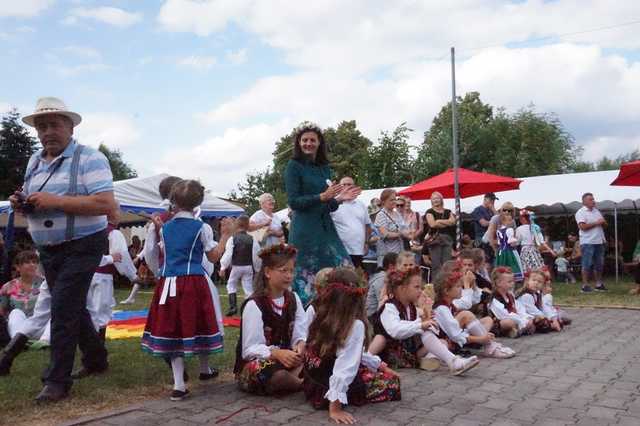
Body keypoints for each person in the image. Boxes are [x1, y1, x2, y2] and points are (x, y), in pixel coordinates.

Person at [9, 97, 115, 402]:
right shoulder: (34, 162)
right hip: (49, 248)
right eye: (41, 126)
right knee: (71, 307)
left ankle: (57, 380)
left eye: (54, 124)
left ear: (70, 126)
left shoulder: (91, 158)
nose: (47, 131)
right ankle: (96, 360)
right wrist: (22, 200)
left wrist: (54, 201)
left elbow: (106, 205)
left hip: (83, 244)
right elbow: (34, 196)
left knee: (63, 308)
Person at [141, 180, 232, 401]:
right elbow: (213, 257)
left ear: (173, 201)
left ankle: (179, 384)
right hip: (192, 282)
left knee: (173, 328)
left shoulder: (165, 228)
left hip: (168, 282)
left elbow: (160, 253)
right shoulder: (202, 227)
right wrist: (227, 236)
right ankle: (204, 368)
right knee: (198, 322)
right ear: (198, 202)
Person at [303, 269, 401, 423]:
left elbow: (354, 353)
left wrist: (379, 365)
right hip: (327, 392)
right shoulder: (355, 325)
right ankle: (337, 399)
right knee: (392, 384)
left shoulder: (318, 310)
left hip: (312, 383)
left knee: (362, 366)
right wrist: (335, 408)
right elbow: (345, 366)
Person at [284, 122, 359, 305]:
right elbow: (294, 202)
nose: (308, 143)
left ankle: (337, 313)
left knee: (345, 270)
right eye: (304, 140)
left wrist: (339, 199)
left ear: (319, 143)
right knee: (306, 280)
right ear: (299, 143)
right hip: (305, 231)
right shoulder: (293, 166)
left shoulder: (324, 168)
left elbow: (328, 205)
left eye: (312, 140)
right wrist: (322, 196)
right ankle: (303, 319)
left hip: (326, 229)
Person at [369, 267, 479, 375]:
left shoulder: (411, 307)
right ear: (402, 288)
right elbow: (395, 330)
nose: (420, 291)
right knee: (380, 338)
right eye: (417, 287)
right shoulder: (389, 307)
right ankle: (366, 362)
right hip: (390, 356)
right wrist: (420, 325)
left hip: (408, 354)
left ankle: (453, 362)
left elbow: (426, 330)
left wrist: (427, 319)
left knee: (439, 340)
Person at [234, 244, 307, 395]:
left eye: (291, 271)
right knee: (273, 374)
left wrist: (300, 345)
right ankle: (301, 383)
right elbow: (249, 350)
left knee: (317, 358)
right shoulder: (255, 304)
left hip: (287, 361)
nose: (289, 276)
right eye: (283, 270)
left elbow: (300, 332)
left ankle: (295, 379)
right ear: (267, 272)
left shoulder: (294, 299)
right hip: (262, 362)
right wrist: (276, 353)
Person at [120, 175, 183, 305]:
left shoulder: (158, 216)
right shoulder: (193, 216)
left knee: (168, 303)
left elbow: (150, 249)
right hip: (185, 270)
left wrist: (155, 267)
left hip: (165, 265)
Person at [432, 261, 515, 358]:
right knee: (466, 315)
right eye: (458, 286)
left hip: (457, 334)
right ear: (446, 291)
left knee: (487, 320)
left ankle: (484, 341)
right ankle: (488, 345)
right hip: (448, 341)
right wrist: (480, 339)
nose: (460, 288)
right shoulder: (442, 307)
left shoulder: (449, 302)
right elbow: (466, 305)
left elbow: (476, 299)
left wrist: (473, 285)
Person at [85, 207, 137, 346]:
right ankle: (97, 351)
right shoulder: (114, 233)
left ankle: (92, 349)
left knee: (90, 310)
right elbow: (121, 257)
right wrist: (133, 276)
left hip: (87, 275)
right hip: (103, 276)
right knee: (101, 312)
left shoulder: (90, 231)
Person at [220, 215, 261, 316]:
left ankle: (233, 307)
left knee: (231, 284)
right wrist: (257, 268)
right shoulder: (253, 239)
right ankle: (251, 308)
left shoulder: (232, 239)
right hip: (248, 267)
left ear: (236, 225)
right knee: (248, 288)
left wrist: (223, 267)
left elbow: (228, 254)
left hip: (236, 266)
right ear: (247, 226)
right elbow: (256, 255)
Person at [330, 176, 372, 269]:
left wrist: (366, 243)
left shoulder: (361, 204)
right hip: (339, 250)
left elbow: (367, 226)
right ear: (339, 187)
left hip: (357, 250)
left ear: (354, 186)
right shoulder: (333, 203)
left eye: (349, 184)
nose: (346, 187)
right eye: (343, 184)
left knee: (356, 279)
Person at [489, 267, 535, 338]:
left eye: (513, 281)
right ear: (498, 283)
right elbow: (503, 315)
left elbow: (519, 308)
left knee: (529, 320)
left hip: (516, 319)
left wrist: (525, 318)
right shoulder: (494, 298)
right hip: (501, 321)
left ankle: (515, 331)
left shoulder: (510, 296)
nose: (512, 284)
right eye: (509, 282)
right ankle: (518, 330)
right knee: (508, 322)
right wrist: (521, 321)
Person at [575, 193, 607, 292]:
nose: (593, 201)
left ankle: (598, 284)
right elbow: (582, 227)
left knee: (599, 264)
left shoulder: (596, 211)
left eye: (593, 199)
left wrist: (603, 222)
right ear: (584, 202)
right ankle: (585, 286)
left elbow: (604, 224)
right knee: (587, 264)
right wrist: (597, 222)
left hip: (599, 241)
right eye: (590, 199)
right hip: (588, 242)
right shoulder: (580, 212)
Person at [374, 189, 410, 267]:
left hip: (400, 252)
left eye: (395, 199)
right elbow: (385, 234)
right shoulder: (381, 215)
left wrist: (408, 233)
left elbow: (405, 229)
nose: (394, 202)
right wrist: (401, 234)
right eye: (391, 200)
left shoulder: (397, 214)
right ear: (383, 201)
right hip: (387, 254)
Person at [424, 191, 456, 276]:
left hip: (447, 239)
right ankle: (437, 284)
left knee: (447, 264)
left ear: (441, 199)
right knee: (436, 265)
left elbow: (453, 222)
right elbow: (433, 224)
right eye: (433, 199)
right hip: (435, 239)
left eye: (437, 198)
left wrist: (439, 221)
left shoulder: (448, 211)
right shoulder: (429, 211)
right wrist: (446, 222)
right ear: (431, 201)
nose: (435, 200)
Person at [493, 203, 524, 282]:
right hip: (510, 251)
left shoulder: (499, 230)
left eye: (509, 211)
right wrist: (516, 240)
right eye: (505, 210)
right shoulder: (509, 230)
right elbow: (512, 242)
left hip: (501, 251)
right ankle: (511, 280)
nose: (507, 212)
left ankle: (502, 281)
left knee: (501, 267)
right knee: (512, 267)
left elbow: (499, 242)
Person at [365, 253, 397, 319]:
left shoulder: (386, 277)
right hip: (373, 316)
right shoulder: (381, 279)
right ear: (391, 266)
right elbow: (382, 303)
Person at [472, 193, 498, 266]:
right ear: (485, 199)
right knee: (484, 262)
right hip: (481, 238)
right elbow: (483, 223)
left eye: (494, 200)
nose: (493, 202)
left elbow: (499, 220)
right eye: (491, 200)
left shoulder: (491, 211)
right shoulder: (478, 210)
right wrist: (493, 222)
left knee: (493, 261)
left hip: (492, 238)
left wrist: (493, 209)